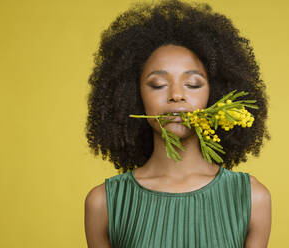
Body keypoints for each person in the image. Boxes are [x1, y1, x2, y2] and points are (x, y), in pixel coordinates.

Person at [84, 0, 272, 247]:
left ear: (214, 95)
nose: (176, 95)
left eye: (193, 84)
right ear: (131, 96)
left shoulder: (251, 198)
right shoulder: (104, 203)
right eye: (158, 85)